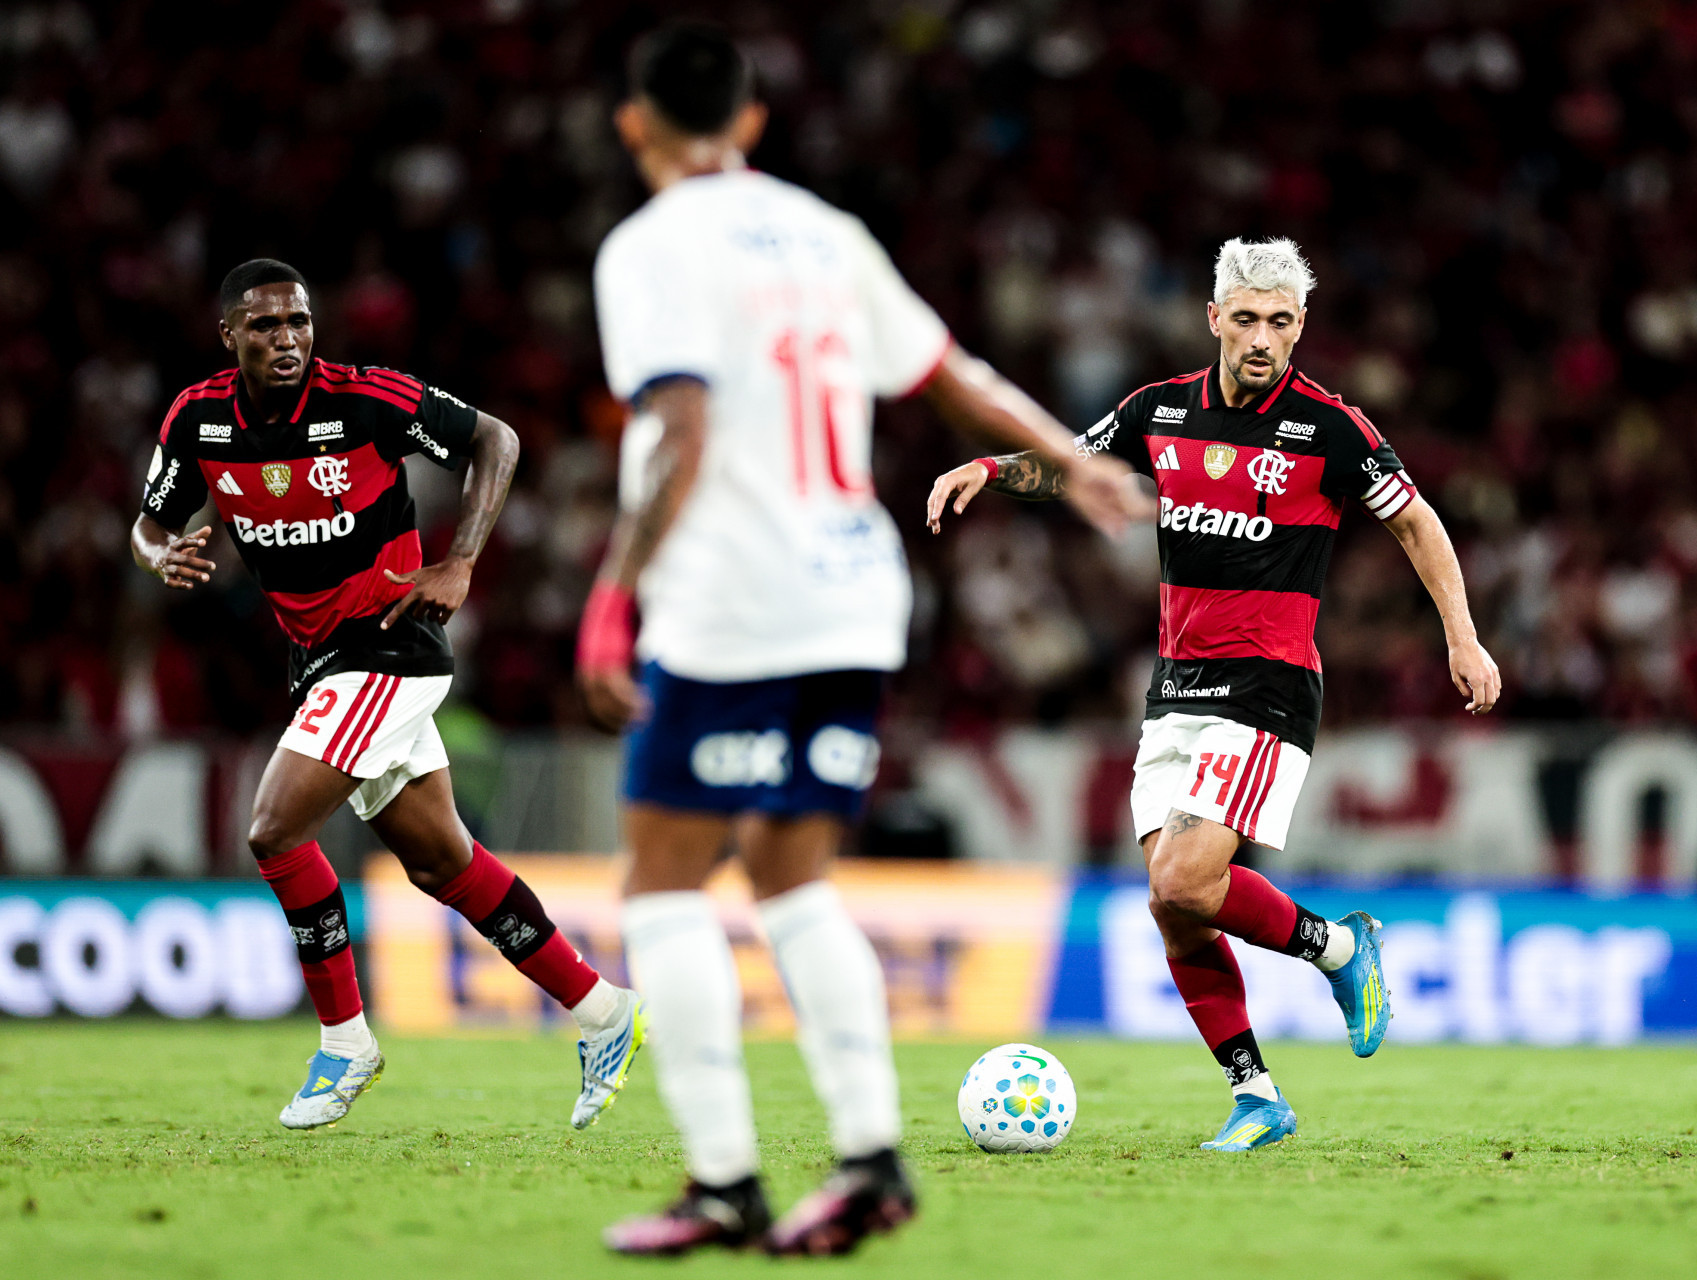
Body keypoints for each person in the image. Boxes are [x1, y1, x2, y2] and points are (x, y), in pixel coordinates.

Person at [577, 24, 1147, 1257]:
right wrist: (1071, 458)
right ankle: (872, 1163)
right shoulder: (829, 234)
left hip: (732, 598)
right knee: (793, 877)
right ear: (754, 120)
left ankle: (725, 1181)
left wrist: (611, 595)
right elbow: (950, 369)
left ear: (634, 124)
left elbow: (680, 425)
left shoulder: (647, 250)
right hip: (852, 592)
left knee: (665, 885)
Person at [928, 236, 1502, 1152]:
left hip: (1270, 687)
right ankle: (1257, 1095)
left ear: (1301, 326)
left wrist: (1462, 636)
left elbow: (1419, 525)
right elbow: (1076, 470)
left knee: (1187, 878)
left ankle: (1343, 951)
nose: (1263, 338)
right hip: (1176, 692)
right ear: (1214, 320)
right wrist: (991, 471)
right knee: (1174, 904)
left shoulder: (1333, 429)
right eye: (1246, 319)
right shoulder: (1158, 411)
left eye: (1281, 321)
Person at [131, 258, 643, 1132]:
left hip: (389, 645)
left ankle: (345, 1043)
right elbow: (152, 518)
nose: (287, 339)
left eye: (298, 321)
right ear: (230, 337)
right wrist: (157, 551)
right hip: (318, 660)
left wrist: (462, 560)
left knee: (273, 828)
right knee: (442, 861)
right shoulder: (199, 420)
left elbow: (497, 439)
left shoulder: (365, 398)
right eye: (264, 326)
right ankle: (603, 1012)